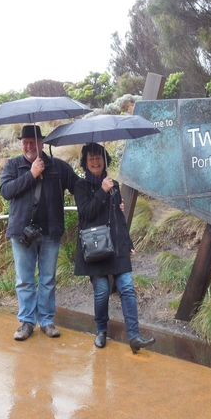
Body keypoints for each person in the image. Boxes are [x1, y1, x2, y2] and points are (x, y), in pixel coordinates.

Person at [73, 142, 155, 353]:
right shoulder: (81, 187)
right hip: (96, 247)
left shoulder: (114, 185)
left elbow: (119, 217)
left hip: (117, 246)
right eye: (91, 158)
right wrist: (102, 191)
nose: (95, 161)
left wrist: (128, 243)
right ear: (85, 163)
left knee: (127, 288)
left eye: (98, 157)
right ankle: (101, 330)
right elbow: (86, 214)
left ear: (105, 160)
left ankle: (134, 336)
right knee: (101, 292)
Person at [0, 125, 79, 341]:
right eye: (24, 143)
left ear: (41, 144)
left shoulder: (58, 167)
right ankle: (26, 322)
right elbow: (6, 191)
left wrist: (104, 191)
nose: (28, 146)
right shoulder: (13, 165)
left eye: (32, 142)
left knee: (48, 279)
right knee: (24, 280)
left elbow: (78, 186)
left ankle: (46, 320)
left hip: (50, 232)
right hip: (22, 234)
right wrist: (32, 175)